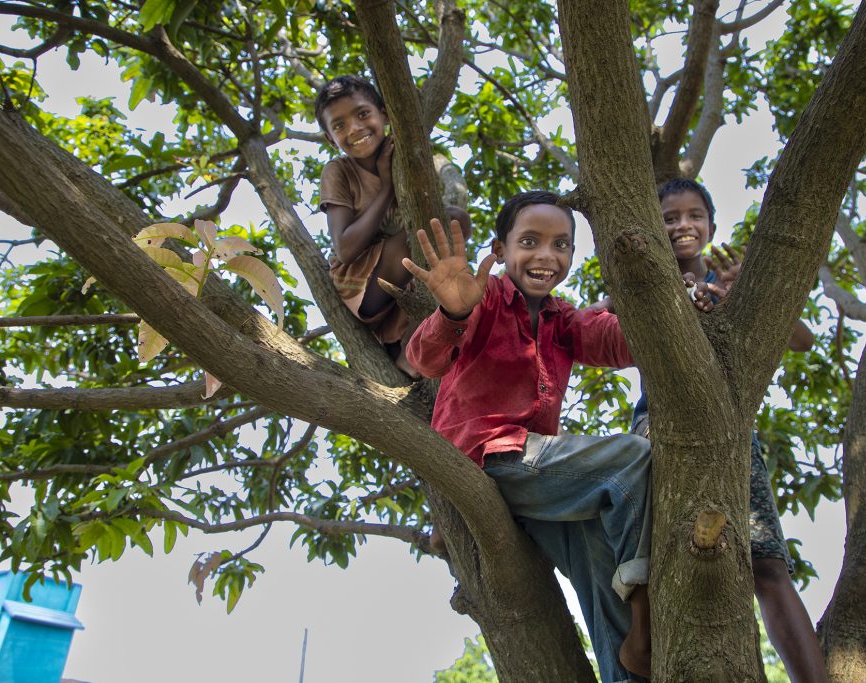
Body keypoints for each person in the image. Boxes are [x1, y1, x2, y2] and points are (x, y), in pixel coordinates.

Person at [402, 191, 714, 683]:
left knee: (598, 558)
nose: (546, 256)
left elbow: (617, 340)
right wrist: (453, 314)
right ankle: (649, 614)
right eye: (530, 242)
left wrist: (676, 309)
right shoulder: (482, 299)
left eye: (561, 245)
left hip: (536, 478)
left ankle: (630, 661)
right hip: (488, 457)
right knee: (631, 457)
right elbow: (424, 359)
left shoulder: (561, 320)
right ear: (500, 251)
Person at [629, 178, 826, 683]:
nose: (682, 226)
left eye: (694, 215)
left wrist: (741, 293)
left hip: (731, 433)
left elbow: (801, 340)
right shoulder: (641, 283)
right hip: (660, 425)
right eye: (669, 218)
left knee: (767, 565)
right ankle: (644, 649)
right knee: (674, 558)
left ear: (712, 225)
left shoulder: (727, 280)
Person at [315, 75, 469, 376]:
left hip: (403, 289)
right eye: (339, 125)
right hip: (360, 284)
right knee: (420, 236)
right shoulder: (338, 170)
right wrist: (386, 187)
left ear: (384, 113)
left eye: (362, 114)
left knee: (453, 222)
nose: (355, 129)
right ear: (329, 139)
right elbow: (345, 248)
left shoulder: (403, 155)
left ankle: (409, 357)